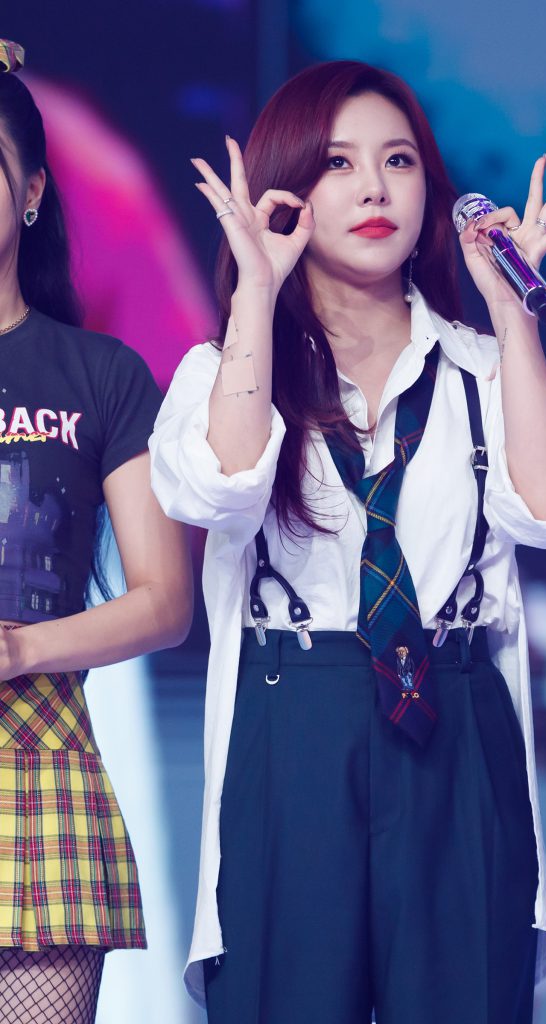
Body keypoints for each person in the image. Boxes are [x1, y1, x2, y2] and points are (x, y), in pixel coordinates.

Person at [150, 60, 546, 1023]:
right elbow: (216, 485)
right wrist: (255, 296)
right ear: (288, 190)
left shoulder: (481, 367)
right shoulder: (227, 366)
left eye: (397, 162)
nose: (373, 189)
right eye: (338, 163)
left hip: (454, 710)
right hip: (296, 711)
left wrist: (511, 316)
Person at [0, 41, 193, 1024]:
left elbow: (165, 600)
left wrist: (23, 648)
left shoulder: (99, 373)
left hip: (43, 756)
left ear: (31, 191)